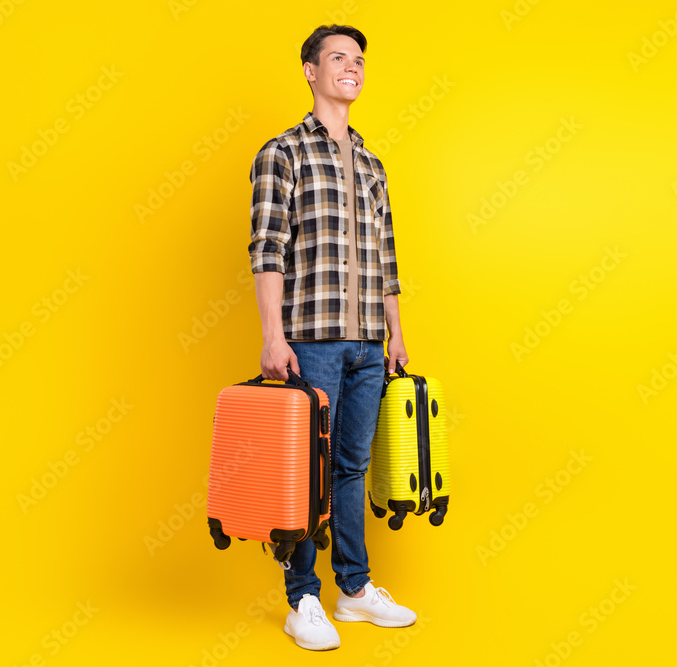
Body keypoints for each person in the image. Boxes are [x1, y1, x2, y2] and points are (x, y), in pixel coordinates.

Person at [246, 23, 416, 651]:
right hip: (309, 342)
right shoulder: (282, 153)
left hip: (368, 344)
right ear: (311, 72)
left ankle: (354, 590)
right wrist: (273, 336)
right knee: (303, 474)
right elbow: (268, 250)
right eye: (339, 58)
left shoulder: (372, 163)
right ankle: (303, 600)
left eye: (360, 59)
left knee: (349, 468)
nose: (354, 67)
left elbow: (386, 257)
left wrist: (395, 334)